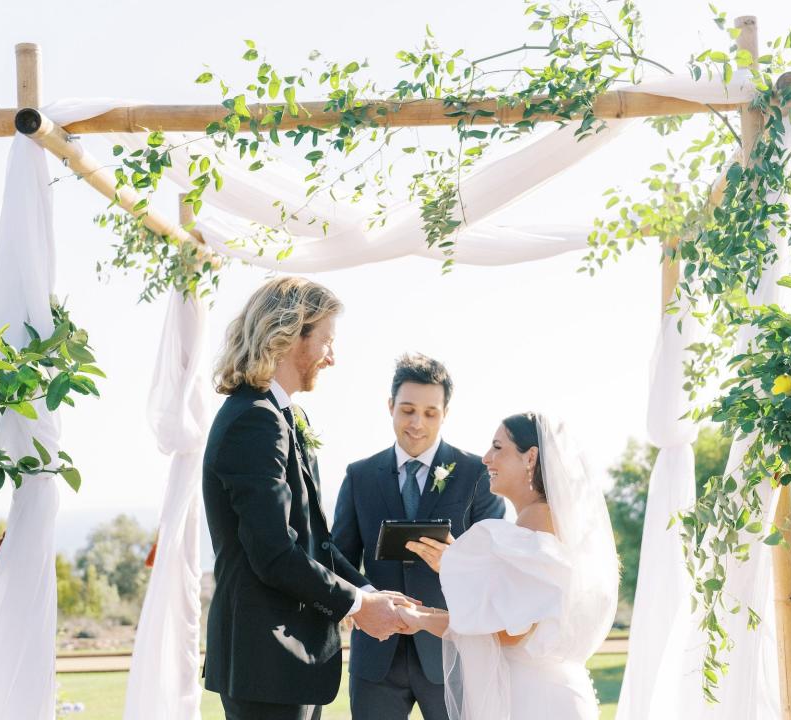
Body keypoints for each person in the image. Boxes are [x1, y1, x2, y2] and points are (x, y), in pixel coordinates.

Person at [202, 276, 409, 720]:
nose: (332, 358)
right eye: (327, 341)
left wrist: (371, 592)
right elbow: (275, 553)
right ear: (290, 333)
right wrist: (356, 606)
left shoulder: (285, 416)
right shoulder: (253, 422)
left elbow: (317, 540)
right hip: (267, 659)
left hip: (289, 660)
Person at [401, 412, 619, 720]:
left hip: (535, 704)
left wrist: (421, 619)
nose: (486, 458)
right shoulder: (549, 529)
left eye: (497, 448)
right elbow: (504, 619)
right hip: (554, 694)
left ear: (530, 457)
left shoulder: (532, 533)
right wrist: (428, 608)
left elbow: (505, 634)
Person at [332, 353, 505, 720]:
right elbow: (337, 554)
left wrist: (456, 560)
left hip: (451, 653)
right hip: (375, 656)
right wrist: (369, 599)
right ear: (390, 405)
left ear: (445, 413)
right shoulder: (359, 475)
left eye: (430, 413)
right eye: (408, 410)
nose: (417, 423)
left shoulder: (477, 474)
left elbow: (496, 560)